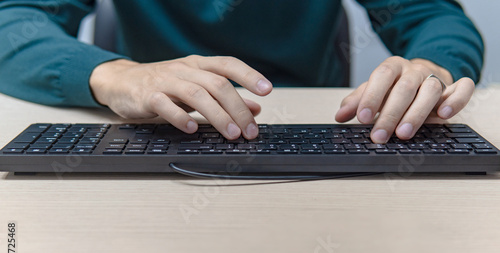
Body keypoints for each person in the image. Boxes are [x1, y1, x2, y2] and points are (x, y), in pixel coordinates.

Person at [0, 0, 483, 143]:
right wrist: (113, 74)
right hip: (155, 131)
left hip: (309, 142)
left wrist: (430, 66)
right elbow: (13, 20)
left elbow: (433, 16)